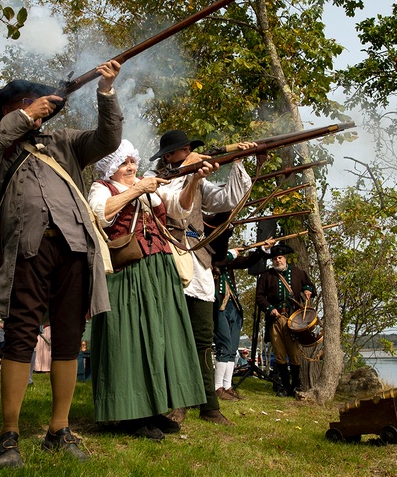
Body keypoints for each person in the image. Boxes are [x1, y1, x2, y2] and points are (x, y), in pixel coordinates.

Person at [0, 60, 122, 468]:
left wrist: (106, 91)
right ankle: (9, 434)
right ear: (6, 112)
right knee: (21, 335)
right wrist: (28, 113)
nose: (36, 106)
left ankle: (59, 429)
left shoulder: (64, 141)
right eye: (23, 102)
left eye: (37, 100)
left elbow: (108, 139)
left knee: (69, 338)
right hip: (28, 248)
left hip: (74, 247)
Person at [87, 139, 208, 440]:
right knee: (129, 340)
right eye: (124, 163)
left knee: (161, 338)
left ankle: (155, 409)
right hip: (126, 275)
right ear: (111, 167)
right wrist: (138, 189)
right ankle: (132, 413)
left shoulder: (146, 185)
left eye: (132, 162)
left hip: (159, 271)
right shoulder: (102, 188)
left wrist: (193, 178)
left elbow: (180, 208)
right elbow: (101, 214)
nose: (131, 167)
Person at [154, 130, 255, 426]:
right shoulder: (156, 181)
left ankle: (209, 406)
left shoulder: (197, 180)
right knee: (172, 337)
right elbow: (172, 200)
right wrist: (192, 174)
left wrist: (236, 162)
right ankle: (177, 401)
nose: (189, 155)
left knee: (202, 339)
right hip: (167, 258)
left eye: (190, 151)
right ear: (169, 157)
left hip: (197, 261)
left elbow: (229, 199)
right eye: (183, 151)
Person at [204, 213, 271, 401]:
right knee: (224, 345)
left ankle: (227, 385)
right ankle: (217, 387)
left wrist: (262, 250)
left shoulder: (227, 257)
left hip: (233, 306)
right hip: (218, 306)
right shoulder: (207, 251)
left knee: (232, 347)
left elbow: (246, 261)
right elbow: (216, 261)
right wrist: (230, 254)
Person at [255, 243, 315, 397]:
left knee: (294, 354)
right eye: (275, 258)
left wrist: (308, 289)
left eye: (280, 258)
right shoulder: (266, 276)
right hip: (275, 319)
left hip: (293, 319)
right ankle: (284, 386)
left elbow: (309, 285)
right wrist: (269, 309)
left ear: (285, 258)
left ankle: (295, 385)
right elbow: (260, 297)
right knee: (280, 354)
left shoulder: (298, 273)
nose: (277, 261)